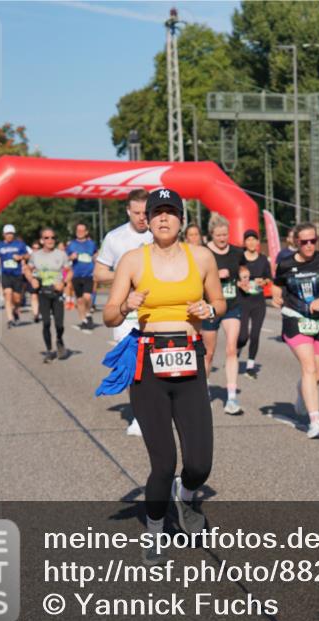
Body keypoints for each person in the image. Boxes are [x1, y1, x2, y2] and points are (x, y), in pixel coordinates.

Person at [102, 187, 223, 563]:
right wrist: (125, 305)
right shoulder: (132, 261)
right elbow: (108, 315)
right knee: (163, 462)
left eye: (171, 212)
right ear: (147, 221)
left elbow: (219, 303)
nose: (164, 218)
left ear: (181, 218)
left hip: (189, 360)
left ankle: (186, 498)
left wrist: (208, 309)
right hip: (149, 364)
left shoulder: (201, 257)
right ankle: (155, 529)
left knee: (200, 463)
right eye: (157, 213)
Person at [272, 222, 319, 439]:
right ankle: (315, 422)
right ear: (296, 242)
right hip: (295, 319)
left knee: (318, 373)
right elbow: (277, 284)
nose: (309, 246)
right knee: (309, 368)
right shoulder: (286, 264)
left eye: (312, 241)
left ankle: (301, 391)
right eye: (304, 242)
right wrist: (276, 296)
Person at [96, 188, 153, 436]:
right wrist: (124, 276)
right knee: (134, 363)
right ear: (128, 211)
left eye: (145, 212)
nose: (142, 218)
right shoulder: (115, 238)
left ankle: (160, 410)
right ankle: (140, 416)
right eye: (137, 212)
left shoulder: (160, 233)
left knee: (156, 362)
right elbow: (99, 274)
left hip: (155, 308)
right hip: (126, 311)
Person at [203, 214, 246, 415]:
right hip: (210, 307)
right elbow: (195, 278)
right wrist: (215, 276)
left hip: (232, 306)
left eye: (225, 234)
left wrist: (244, 278)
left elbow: (243, 269)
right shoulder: (204, 254)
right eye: (219, 235)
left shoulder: (237, 252)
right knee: (208, 353)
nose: (222, 238)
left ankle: (231, 399)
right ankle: (203, 391)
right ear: (211, 234)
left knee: (231, 349)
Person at [24, 228, 71, 363]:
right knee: (45, 323)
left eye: (52, 237)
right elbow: (28, 269)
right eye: (46, 238)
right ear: (41, 240)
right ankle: (50, 350)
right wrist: (31, 279)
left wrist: (64, 282)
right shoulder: (36, 255)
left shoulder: (61, 254)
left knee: (59, 325)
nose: (50, 240)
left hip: (57, 293)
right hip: (43, 292)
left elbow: (69, 271)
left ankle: (59, 340)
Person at [237, 229, 272, 378]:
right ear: (244, 242)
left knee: (256, 335)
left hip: (258, 302)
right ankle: (237, 350)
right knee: (243, 336)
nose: (251, 242)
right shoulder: (239, 258)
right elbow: (233, 277)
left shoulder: (263, 259)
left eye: (254, 239)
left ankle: (250, 366)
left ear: (258, 242)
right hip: (242, 301)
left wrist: (262, 281)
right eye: (248, 240)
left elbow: (269, 278)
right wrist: (239, 284)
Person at [0, 224, 30, 329]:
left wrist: (21, 257)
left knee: (17, 299)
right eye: (7, 234)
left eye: (11, 234)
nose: (9, 235)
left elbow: (28, 255)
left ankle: (15, 311)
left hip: (17, 274)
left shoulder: (20, 245)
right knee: (7, 294)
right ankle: (10, 319)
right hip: (6, 274)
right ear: (3, 235)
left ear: (13, 234)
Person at [67, 222, 98, 330]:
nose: (80, 232)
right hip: (76, 275)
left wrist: (96, 260)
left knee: (87, 297)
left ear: (86, 232)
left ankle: (88, 312)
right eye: (78, 230)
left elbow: (95, 255)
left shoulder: (91, 244)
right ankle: (83, 320)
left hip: (89, 274)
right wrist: (71, 257)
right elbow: (67, 258)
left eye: (82, 230)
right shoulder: (71, 244)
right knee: (79, 300)